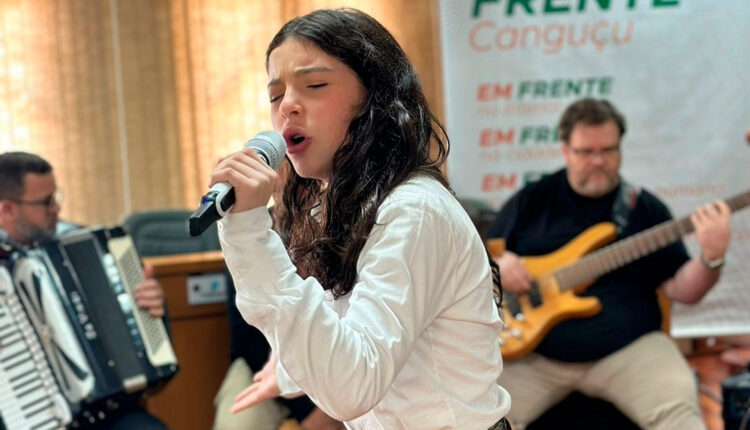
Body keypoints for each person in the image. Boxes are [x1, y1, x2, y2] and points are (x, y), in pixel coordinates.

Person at [208, 8, 511, 430]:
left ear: (375, 99)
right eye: (276, 96)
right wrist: (291, 371)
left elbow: (352, 387)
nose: (287, 106)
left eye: (315, 85)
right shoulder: (335, 208)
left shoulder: (413, 211)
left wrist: (247, 232)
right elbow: (354, 330)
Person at [486, 98, 731, 430]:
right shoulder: (532, 200)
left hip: (630, 351)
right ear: (565, 150)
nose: (599, 161)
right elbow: (482, 258)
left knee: (680, 414)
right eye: (586, 152)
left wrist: (711, 258)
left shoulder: (644, 209)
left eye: (609, 150)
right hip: (536, 356)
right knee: (483, 415)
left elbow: (684, 291)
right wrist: (501, 263)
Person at [0, 151, 169, 430]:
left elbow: (145, 349)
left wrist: (150, 309)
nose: (56, 208)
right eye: (46, 202)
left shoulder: (85, 246)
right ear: (7, 209)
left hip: (99, 412)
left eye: (56, 197)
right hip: (20, 412)